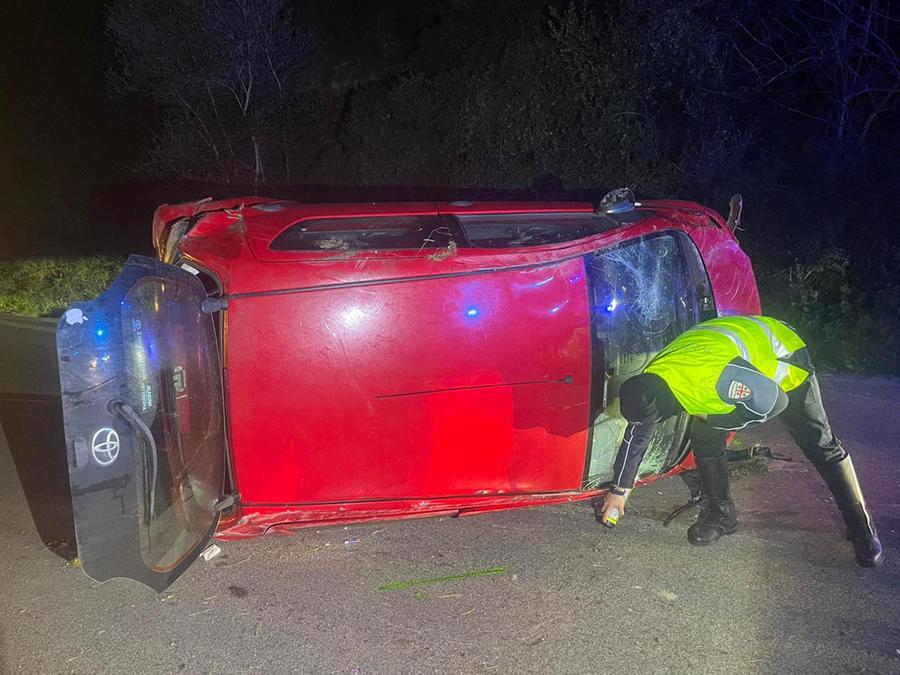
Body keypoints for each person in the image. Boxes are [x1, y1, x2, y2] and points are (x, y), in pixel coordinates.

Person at [598, 315, 884, 567]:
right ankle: (722, 516)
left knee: (820, 444)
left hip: (783, 358)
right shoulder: (655, 376)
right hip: (727, 356)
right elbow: (638, 434)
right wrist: (620, 491)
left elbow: (774, 402)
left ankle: (862, 529)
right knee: (705, 440)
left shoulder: (714, 380)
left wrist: (714, 419)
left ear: (667, 406)